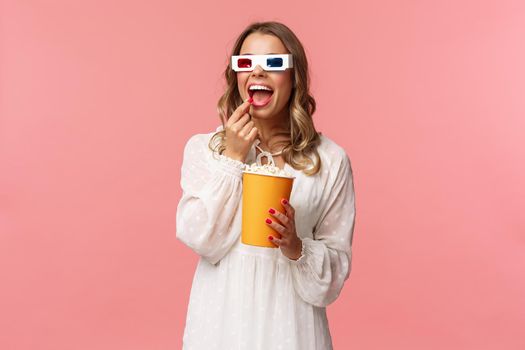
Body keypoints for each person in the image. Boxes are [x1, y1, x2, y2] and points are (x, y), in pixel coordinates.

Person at [176, 21, 356, 350]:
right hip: (220, 323)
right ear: (236, 77)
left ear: (294, 76)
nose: (257, 72)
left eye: (274, 63)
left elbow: (333, 278)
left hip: (292, 327)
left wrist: (296, 247)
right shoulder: (205, 149)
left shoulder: (329, 160)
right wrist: (232, 158)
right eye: (245, 63)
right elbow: (201, 238)